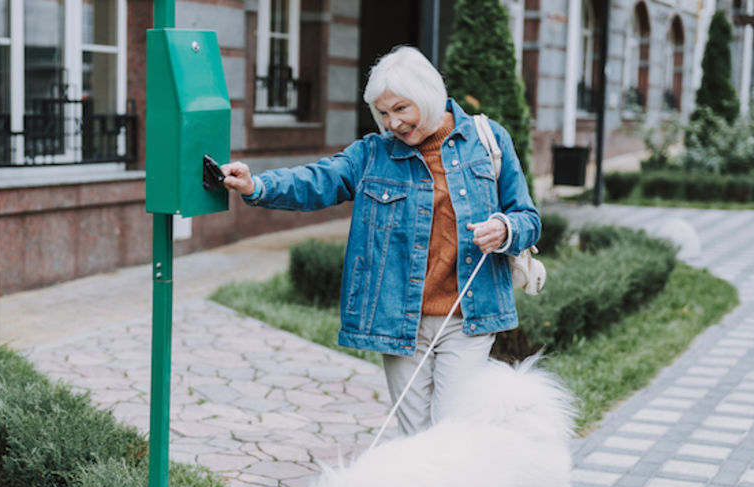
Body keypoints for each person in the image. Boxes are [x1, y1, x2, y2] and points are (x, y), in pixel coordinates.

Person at [222, 45, 540, 436]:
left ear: (428, 97)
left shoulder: (488, 140)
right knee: (414, 437)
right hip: (400, 321)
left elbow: (527, 217)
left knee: (453, 433)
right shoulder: (373, 155)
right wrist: (257, 185)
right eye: (384, 113)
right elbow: (318, 180)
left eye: (401, 109)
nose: (393, 123)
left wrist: (506, 229)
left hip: (468, 319)